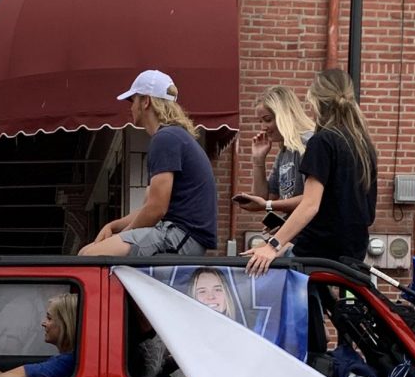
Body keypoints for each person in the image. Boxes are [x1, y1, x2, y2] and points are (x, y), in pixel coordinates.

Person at [245, 69, 378, 276]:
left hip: (317, 249)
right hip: (352, 249)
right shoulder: (362, 144)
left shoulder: (321, 141)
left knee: (262, 276)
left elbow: (310, 204)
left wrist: (274, 245)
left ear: (315, 102)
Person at [78, 69, 217, 257]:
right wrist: (114, 226)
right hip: (181, 235)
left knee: (88, 257)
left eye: (133, 100)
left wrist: (124, 235)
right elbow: (150, 206)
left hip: (181, 236)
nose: (131, 107)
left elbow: (156, 209)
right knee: (89, 251)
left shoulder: (165, 138)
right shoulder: (175, 136)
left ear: (146, 101)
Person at [233, 84, 314, 221]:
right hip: (296, 230)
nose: (263, 128)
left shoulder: (308, 144)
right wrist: (258, 160)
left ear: (285, 115)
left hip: (311, 234)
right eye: (260, 122)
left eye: (268, 120)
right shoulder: (284, 151)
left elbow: (311, 199)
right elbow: (263, 197)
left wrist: (268, 206)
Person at [0, 292, 78, 377]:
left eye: (49, 318)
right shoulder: (69, 359)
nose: (43, 323)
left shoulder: (66, 362)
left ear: (65, 324)